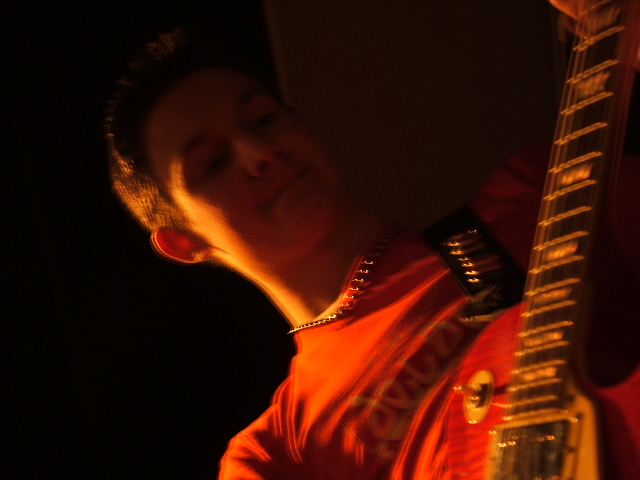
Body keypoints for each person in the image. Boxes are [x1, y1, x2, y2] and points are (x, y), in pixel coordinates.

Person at [105, 2, 639, 478]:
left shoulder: (538, 191)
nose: (259, 152)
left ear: (302, 125)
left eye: (263, 119)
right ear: (184, 241)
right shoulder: (277, 455)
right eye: (214, 163)